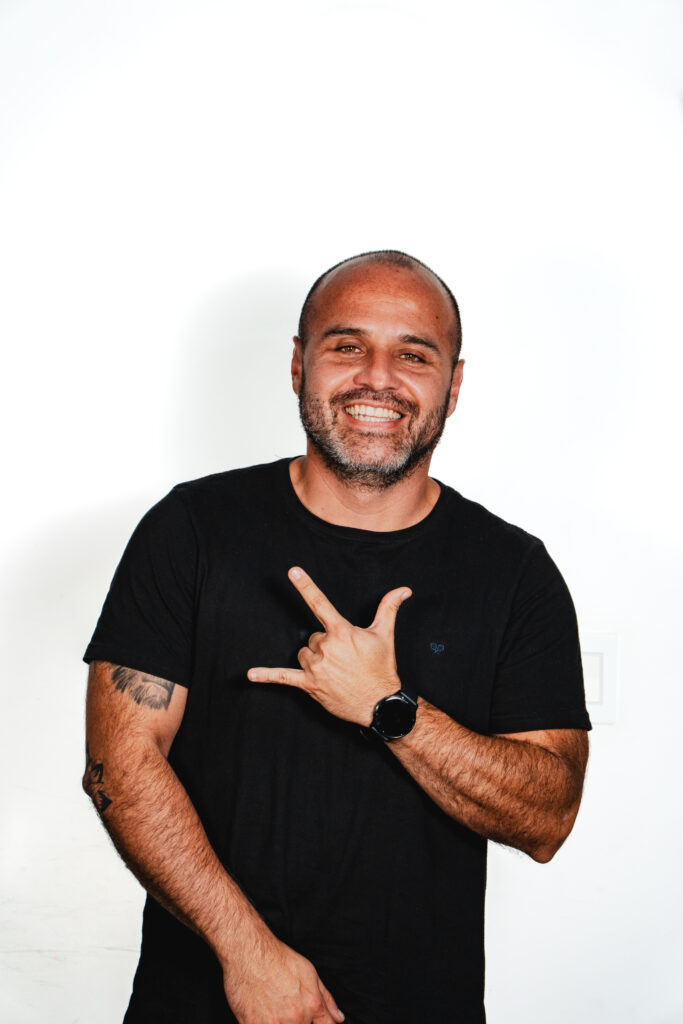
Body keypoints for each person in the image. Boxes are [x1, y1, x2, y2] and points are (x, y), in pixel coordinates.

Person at [82, 249, 591, 1024]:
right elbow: (118, 765)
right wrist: (248, 955)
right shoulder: (192, 531)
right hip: (204, 1000)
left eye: (413, 355)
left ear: (452, 385)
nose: (376, 378)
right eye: (346, 346)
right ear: (298, 364)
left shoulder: (514, 572)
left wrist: (390, 709)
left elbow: (547, 818)